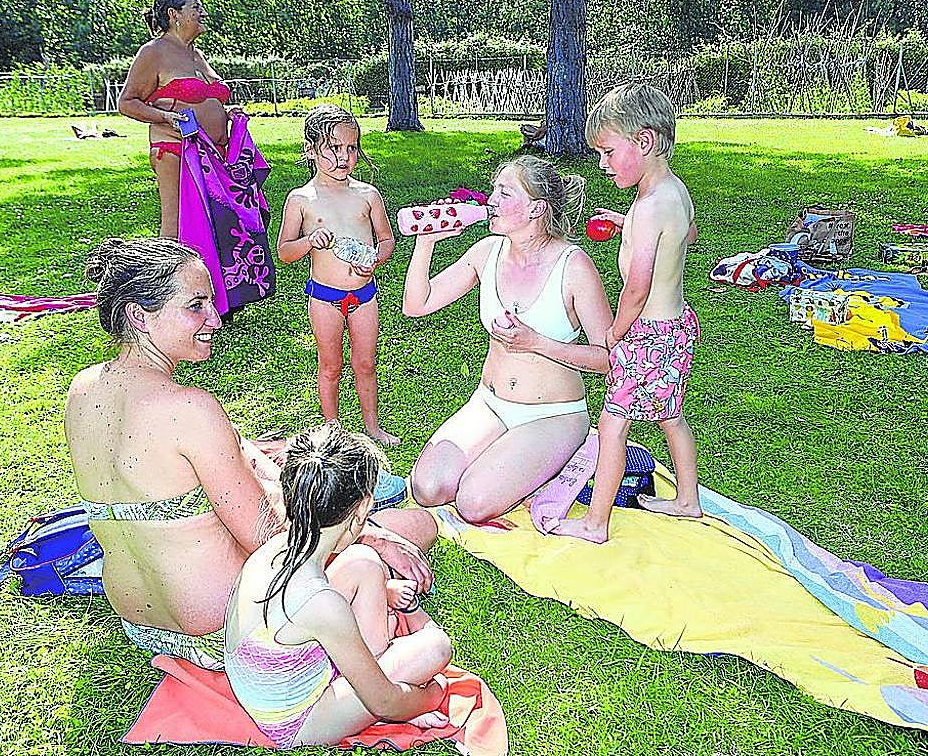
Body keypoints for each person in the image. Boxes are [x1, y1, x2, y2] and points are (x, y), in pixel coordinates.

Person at [66, 237, 437, 671]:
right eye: (195, 306)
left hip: (140, 623)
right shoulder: (188, 409)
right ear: (139, 316)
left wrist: (262, 464)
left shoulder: (84, 389)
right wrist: (368, 534)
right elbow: (272, 541)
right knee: (414, 525)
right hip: (228, 631)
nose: (215, 320)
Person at [403, 156, 614, 523]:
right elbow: (416, 305)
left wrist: (537, 343)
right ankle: (514, 461)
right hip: (490, 404)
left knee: (473, 503)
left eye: (504, 193)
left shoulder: (573, 265)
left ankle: (575, 448)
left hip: (552, 414)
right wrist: (426, 242)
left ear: (536, 209)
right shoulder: (487, 252)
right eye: (494, 191)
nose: (491, 201)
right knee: (428, 488)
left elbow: (610, 359)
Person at [226, 423, 452, 747]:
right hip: (298, 722)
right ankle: (379, 680)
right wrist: (432, 694)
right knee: (436, 648)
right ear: (362, 509)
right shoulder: (319, 602)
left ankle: (374, 668)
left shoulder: (271, 551)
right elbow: (384, 701)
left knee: (363, 559)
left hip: (275, 682)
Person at [552, 83, 702, 544]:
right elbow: (688, 235)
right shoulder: (673, 191)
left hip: (647, 334)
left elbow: (636, 288)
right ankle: (688, 501)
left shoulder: (649, 206)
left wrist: (614, 333)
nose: (602, 163)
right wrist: (629, 226)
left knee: (612, 425)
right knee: (670, 415)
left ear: (645, 141)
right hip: (676, 326)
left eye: (608, 151)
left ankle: (596, 524)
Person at [277, 104, 399, 447]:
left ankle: (372, 426)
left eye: (352, 147)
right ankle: (332, 431)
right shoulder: (301, 199)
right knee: (330, 366)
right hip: (325, 299)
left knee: (366, 363)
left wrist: (375, 259)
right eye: (334, 147)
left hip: (364, 296)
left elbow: (386, 239)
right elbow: (285, 252)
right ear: (311, 150)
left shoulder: (367, 195)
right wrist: (308, 241)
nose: (344, 156)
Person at [118, 0, 231, 239]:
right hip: (174, 150)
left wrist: (226, 111)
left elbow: (208, 97)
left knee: (215, 226)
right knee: (176, 226)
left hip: (212, 153)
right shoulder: (152, 53)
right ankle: (166, 278)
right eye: (195, 7)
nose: (202, 13)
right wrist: (165, 118)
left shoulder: (196, 54)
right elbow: (127, 102)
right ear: (174, 14)